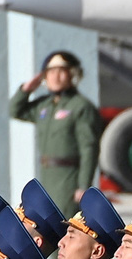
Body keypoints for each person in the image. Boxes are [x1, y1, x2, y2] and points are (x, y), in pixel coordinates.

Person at [9, 50, 100, 217]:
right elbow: (15, 110)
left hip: (68, 179)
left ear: (72, 75)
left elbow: (89, 148)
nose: (55, 77)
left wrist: (83, 185)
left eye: (61, 71)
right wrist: (26, 89)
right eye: (50, 72)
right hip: (47, 175)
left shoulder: (80, 106)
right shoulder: (45, 106)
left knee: (64, 222)